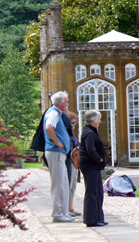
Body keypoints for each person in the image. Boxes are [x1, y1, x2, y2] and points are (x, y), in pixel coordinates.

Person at [44, 91, 73, 223]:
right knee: (58, 184)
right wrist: (57, 142)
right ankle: (57, 213)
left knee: (64, 183)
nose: (67, 103)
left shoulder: (58, 113)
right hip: (55, 152)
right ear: (60, 103)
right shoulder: (54, 113)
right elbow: (49, 128)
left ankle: (63, 212)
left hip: (59, 153)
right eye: (66, 101)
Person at [79, 110, 108, 227]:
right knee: (91, 192)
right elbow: (90, 149)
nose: (100, 121)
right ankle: (91, 219)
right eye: (99, 119)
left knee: (98, 192)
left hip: (94, 166)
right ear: (94, 120)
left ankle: (98, 217)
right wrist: (99, 159)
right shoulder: (89, 133)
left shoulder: (91, 131)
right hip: (90, 165)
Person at [66, 111, 81, 216]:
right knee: (68, 186)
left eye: (75, 123)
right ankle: (67, 209)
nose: (74, 125)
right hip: (69, 162)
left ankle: (70, 208)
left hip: (75, 163)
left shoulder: (72, 134)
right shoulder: (65, 134)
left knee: (73, 186)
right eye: (72, 123)